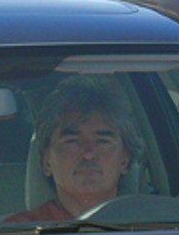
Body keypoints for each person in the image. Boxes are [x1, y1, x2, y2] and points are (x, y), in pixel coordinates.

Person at [7, 78, 140, 222]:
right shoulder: (18, 231)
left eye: (102, 142)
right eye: (72, 141)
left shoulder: (151, 224)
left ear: (125, 160)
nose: (88, 154)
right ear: (46, 162)